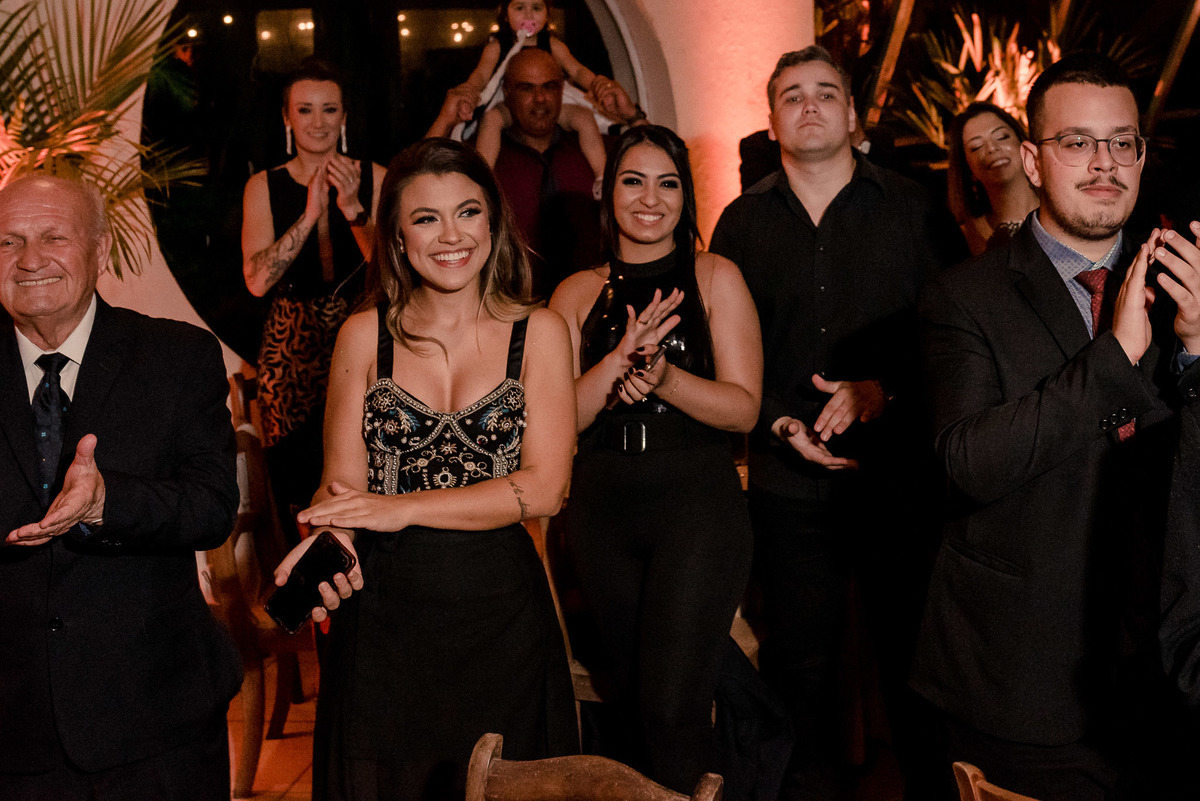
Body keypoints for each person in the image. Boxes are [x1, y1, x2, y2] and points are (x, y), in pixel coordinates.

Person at [911, 54, 1200, 800]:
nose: (1105, 163)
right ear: (1034, 161)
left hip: (1171, 672)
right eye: (1077, 142)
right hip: (1023, 678)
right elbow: (969, 463)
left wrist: (1199, 352)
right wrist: (1115, 357)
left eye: (1122, 142)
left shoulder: (1185, 284)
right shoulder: (964, 296)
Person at [275, 138, 578, 801]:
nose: (451, 236)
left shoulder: (541, 331)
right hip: (384, 617)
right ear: (397, 237)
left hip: (501, 613)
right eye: (426, 218)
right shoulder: (363, 335)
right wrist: (332, 535)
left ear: (493, 222)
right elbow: (342, 483)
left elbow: (545, 487)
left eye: (467, 212)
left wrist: (400, 507)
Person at [709, 45, 967, 800]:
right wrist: (779, 423)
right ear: (772, 121)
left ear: (853, 115)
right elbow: (727, 354)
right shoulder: (740, 223)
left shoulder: (916, 209)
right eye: (792, 95)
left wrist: (885, 390)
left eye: (826, 93)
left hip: (899, 478)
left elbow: (959, 340)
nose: (810, 105)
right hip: (789, 487)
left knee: (916, 666)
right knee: (801, 673)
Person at [0, 174, 241, 799]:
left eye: (54, 237)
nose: (30, 259)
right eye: (9, 241)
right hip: (13, 733)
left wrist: (110, 501)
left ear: (100, 250)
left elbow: (213, 507)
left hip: (157, 722)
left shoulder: (177, 356)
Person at [549, 124, 762, 792]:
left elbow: (744, 409)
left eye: (667, 183)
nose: (650, 198)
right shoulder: (574, 293)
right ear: (604, 190)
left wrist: (665, 378)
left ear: (685, 196)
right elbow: (556, 421)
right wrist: (615, 365)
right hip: (602, 508)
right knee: (640, 702)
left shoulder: (715, 276)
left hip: (695, 502)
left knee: (673, 707)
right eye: (633, 181)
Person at [242, 59, 386, 545]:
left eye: (329, 109)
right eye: (305, 110)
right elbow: (257, 281)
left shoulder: (378, 177)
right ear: (287, 118)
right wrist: (309, 216)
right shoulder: (263, 186)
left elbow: (395, 273)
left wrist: (352, 209)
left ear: (344, 117)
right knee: (298, 485)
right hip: (292, 350)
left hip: (365, 338)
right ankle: (309, 582)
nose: (318, 121)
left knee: (370, 472)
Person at [429, 47, 645, 299]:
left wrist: (632, 116)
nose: (540, 98)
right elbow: (413, 188)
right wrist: (445, 120)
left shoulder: (596, 149)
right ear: (507, 93)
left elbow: (668, 168)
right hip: (507, 303)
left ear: (562, 91)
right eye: (526, 88)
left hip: (596, 300)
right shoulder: (481, 158)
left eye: (549, 87)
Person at [453, 0, 614, 190]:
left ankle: (603, 177)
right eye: (520, 8)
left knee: (584, 117)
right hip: (507, 102)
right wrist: (469, 89)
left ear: (547, 14)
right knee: (491, 120)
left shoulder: (553, 45)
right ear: (505, 14)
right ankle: (481, 181)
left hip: (555, 103)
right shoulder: (497, 46)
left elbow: (576, 71)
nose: (528, 15)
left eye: (536, 8)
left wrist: (598, 85)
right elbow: (482, 74)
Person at [946, 102, 1040, 254]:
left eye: (1002, 137)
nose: (991, 148)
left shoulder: (1063, 209)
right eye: (976, 147)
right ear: (967, 167)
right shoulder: (966, 236)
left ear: (1024, 146)